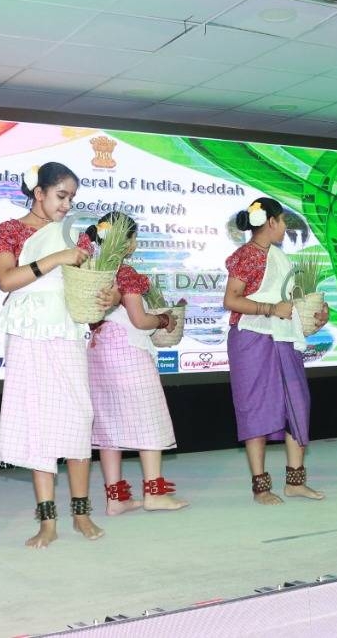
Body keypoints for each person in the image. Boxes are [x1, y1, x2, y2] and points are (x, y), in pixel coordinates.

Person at [0, 162, 112, 547]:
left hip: (67, 329)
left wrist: (110, 296)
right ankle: (47, 521)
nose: (66, 204)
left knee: (77, 417)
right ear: (38, 193)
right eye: (61, 195)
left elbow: (98, 281)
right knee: (37, 420)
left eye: (72, 197)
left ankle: (82, 513)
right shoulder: (8, 232)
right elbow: (7, 279)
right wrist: (57, 257)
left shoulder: (77, 236)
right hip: (28, 331)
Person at [221, 197, 327, 505]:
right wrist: (271, 309)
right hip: (251, 339)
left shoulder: (280, 258)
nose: (284, 228)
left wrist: (319, 313)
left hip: (283, 337)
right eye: (282, 221)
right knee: (255, 408)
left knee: (297, 403)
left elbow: (293, 299)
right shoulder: (246, 256)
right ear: (271, 222)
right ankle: (261, 487)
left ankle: (295, 481)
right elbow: (231, 300)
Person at [86, 213, 189, 514]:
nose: (135, 243)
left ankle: (115, 499)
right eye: (134, 237)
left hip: (98, 355)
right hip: (129, 353)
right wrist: (165, 318)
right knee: (149, 420)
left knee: (108, 427)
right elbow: (140, 320)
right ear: (127, 242)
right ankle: (154, 492)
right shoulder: (124, 273)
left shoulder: (89, 269)